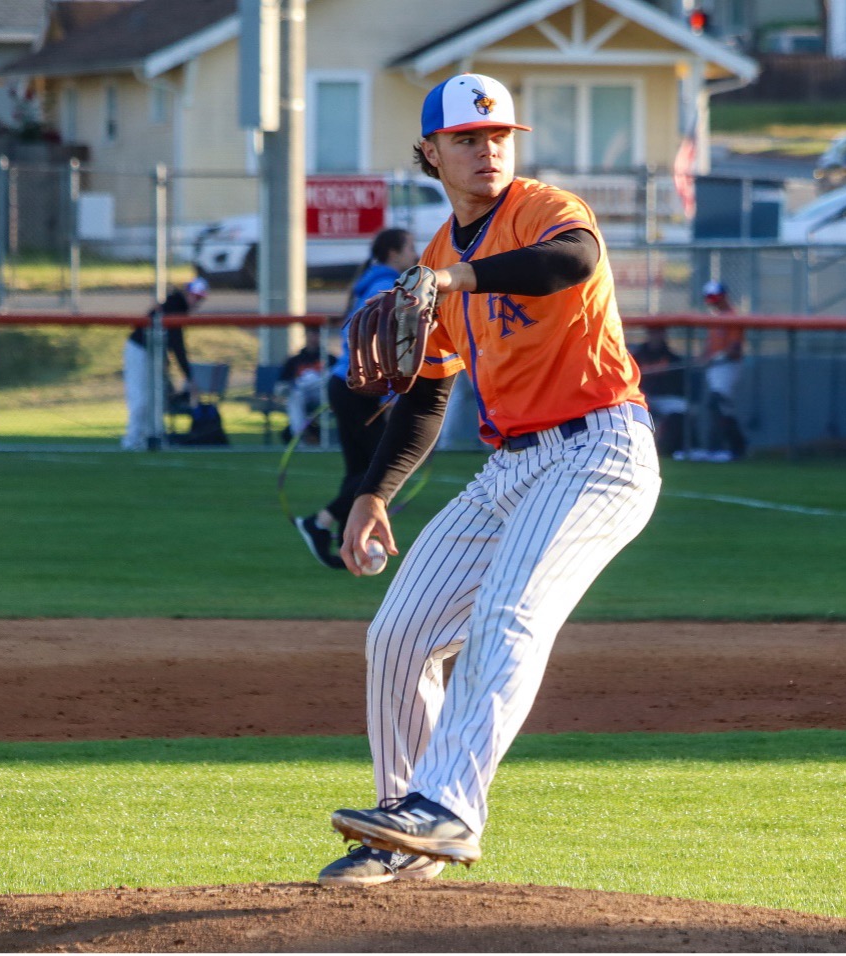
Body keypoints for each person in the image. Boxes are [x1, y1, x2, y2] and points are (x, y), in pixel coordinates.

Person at [317, 73, 661, 887]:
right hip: (513, 464)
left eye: (500, 134)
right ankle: (402, 834)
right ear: (430, 153)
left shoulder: (541, 210)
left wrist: (457, 282)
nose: (487, 150)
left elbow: (569, 263)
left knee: (512, 610)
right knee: (399, 636)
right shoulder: (436, 256)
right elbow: (429, 395)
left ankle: (451, 809)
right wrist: (372, 493)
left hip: (598, 450)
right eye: (467, 139)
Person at [296, 228, 419, 571]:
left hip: (345, 383)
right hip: (359, 388)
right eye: (410, 246)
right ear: (393, 252)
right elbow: (372, 336)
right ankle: (320, 522)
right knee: (377, 469)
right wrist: (394, 391)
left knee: (359, 469)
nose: (415, 252)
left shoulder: (372, 278)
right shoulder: (388, 281)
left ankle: (344, 538)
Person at [121, 278, 208, 451]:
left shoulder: (177, 305)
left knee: (155, 399)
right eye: (194, 296)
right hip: (139, 350)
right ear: (186, 293)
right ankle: (131, 441)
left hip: (151, 354)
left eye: (199, 298)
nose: (196, 301)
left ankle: (149, 438)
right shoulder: (175, 305)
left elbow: (170, 343)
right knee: (140, 398)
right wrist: (189, 376)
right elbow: (177, 344)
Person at [700, 280, 748, 461]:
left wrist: (718, 356)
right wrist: (704, 357)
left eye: (716, 298)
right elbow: (708, 346)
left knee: (718, 403)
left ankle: (732, 447)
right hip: (714, 368)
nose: (713, 302)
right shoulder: (714, 317)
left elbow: (735, 348)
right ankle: (731, 448)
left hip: (727, 366)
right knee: (719, 407)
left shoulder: (733, 317)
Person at [629, 325, 689, 455]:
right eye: (653, 333)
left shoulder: (671, 356)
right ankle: (635, 447)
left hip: (664, 397)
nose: (656, 336)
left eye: (659, 333)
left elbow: (678, 385)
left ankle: (669, 448)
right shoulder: (637, 356)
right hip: (641, 396)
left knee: (681, 408)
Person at [278, 324, 330, 445]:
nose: (313, 337)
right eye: (310, 333)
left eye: (316, 334)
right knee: (296, 396)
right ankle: (300, 437)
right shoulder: (294, 360)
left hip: (323, 396)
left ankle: (318, 439)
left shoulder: (329, 358)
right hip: (301, 395)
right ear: (305, 335)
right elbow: (282, 385)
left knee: (322, 378)